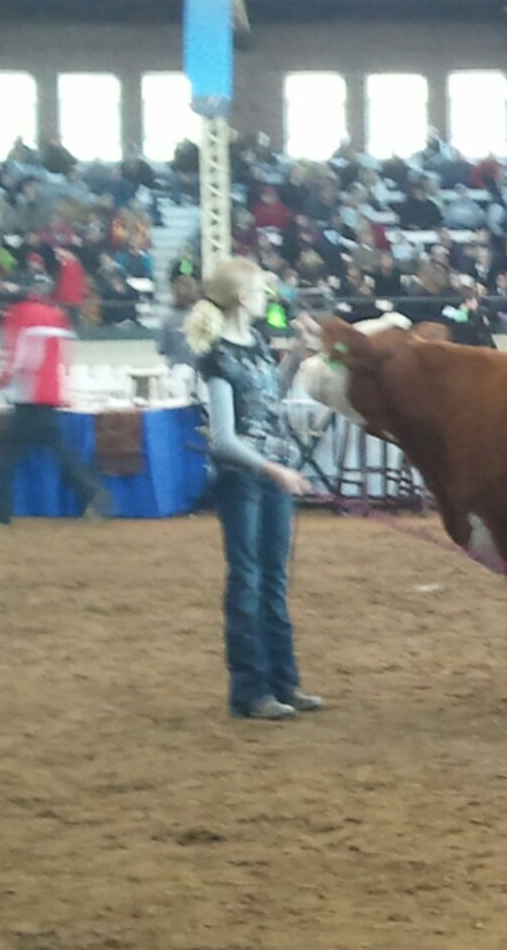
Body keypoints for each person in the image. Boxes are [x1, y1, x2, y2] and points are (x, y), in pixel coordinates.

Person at [185, 257, 324, 720]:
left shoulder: (256, 344)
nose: (268, 298)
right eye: (262, 291)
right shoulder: (217, 356)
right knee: (248, 579)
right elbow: (224, 439)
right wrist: (273, 469)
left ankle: (283, 682)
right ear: (243, 298)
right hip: (245, 478)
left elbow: (268, 397)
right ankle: (251, 688)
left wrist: (296, 356)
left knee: (273, 579)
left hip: (267, 473)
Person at [0, 273, 112, 528]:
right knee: (59, 452)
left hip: (29, 396)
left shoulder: (17, 315)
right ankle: (93, 494)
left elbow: (18, 357)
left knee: (8, 455)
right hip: (51, 393)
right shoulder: (56, 315)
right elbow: (65, 354)